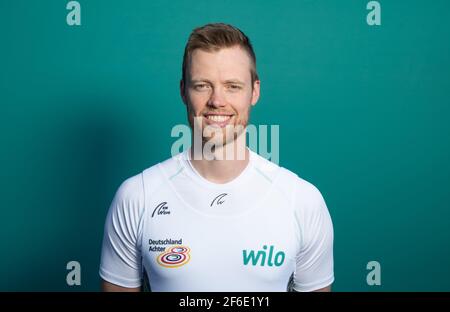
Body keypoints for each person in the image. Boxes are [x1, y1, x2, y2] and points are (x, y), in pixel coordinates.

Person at [99, 23, 334, 292]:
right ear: (183, 91)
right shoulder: (137, 196)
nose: (217, 101)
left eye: (232, 86)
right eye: (202, 85)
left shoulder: (301, 201)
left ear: (254, 92)